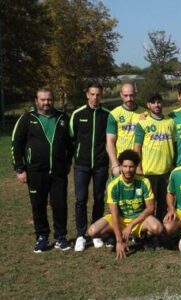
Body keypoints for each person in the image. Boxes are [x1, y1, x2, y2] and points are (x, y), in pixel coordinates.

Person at [12, 87, 74, 253]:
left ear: (53, 100)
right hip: (35, 172)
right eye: (43, 99)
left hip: (58, 172)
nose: (46, 102)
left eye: (49, 99)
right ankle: (42, 237)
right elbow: (16, 144)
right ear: (36, 100)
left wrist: (68, 162)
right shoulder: (27, 118)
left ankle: (61, 237)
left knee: (60, 204)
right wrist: (19, 168)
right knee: (38, 205)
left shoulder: (62, 118)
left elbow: (70, 144)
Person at [87, 150, 163, 259]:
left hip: (138, 220)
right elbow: (114, 214)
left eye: (131, 166)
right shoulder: (113, 185)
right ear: (120, 167)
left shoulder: (144, 182)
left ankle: (143, 237)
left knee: (157, 228)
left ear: (136, 166)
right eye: (125, 166)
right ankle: (115, 235)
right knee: (92, 231)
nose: (128, 170)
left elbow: (150, 208)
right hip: (120, 219)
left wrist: (131, 224)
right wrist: (119, 241)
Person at [69, 83, 111, 251]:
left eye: (98, 95)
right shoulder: (78, 114)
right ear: (87, 95)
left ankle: (96, 232)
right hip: (82, 165)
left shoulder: (107, 115)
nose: (95, 97)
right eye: (92, 94)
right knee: (81, 199)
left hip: (101, 164)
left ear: (101, 96)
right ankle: (81, 234)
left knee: (99, 198)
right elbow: (71, 138)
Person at [134, 93, 176, 222]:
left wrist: (173, 165)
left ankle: (161, 233)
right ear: (148, 105)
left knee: (164, 204)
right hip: (149, 171)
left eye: (159, 102)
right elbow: (137, 147)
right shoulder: (143, 122)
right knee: (149, 206)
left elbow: (174, 144)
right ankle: (148, 233)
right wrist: (138, 168)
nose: (157, 105)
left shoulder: (170, 121)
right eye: (153, 102)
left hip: (166, 172)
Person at [106, 83, 147, 177]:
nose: (129, 98)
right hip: (122, 164)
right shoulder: (114, 114)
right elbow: (110, 141)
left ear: (135, 94)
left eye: (131, 95)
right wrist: (115, 164)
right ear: (121, 95)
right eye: (126, 95)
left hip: (141, 163)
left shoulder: (145, 113)